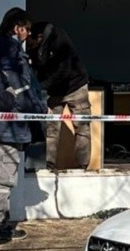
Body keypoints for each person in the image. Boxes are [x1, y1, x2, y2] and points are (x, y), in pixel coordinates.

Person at [0, 7, 45, 241]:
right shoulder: (13, 53)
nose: (27, 35)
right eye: (26, 29)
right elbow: (23, 91)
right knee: (3, 179)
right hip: (11, 126)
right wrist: (40, 110)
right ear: (17, 28)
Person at [30, 21, 91, 171]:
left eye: (30, 42)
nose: (28, 46)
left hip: (75, 86)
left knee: (82, 126)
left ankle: (83, 166)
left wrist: (40, 86)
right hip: (54, 90)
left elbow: (63, 71)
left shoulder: (59, 40)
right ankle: (48, 165)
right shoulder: (35, 48)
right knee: (51, 128)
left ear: (38, 37)